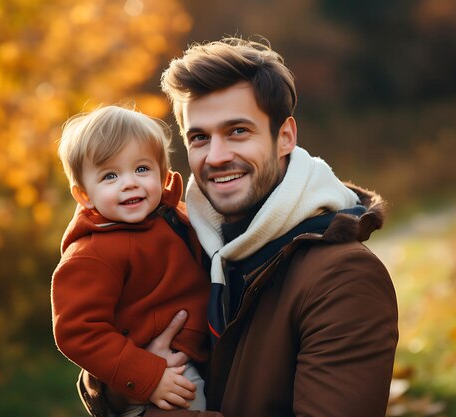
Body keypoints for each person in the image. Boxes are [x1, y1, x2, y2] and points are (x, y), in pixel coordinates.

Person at [79, 38, 399, 417]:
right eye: (200, 137)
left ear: (285, 137)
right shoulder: (182, 241)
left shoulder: (343, 278)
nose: (216, 157)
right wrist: (132, 383)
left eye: (238, 131)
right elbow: (103, 354)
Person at [51, 106, 211, 416]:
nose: (129, 183)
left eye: (141, 169)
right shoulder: (93, 254)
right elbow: (78, 331)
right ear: (84, 195)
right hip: (161, 375)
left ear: (163, 176)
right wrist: (147, 377)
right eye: (110, 175)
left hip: (196, 353)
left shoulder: (173, 216)